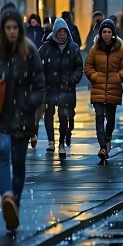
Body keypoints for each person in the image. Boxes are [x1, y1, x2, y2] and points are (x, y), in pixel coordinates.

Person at [0, 8, 45, 231]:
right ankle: (7, 196)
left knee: (18, 161)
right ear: (3, 29)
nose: (11, 31)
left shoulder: (29, 51)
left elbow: (40, 83)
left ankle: (14, 204)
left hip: (21, 115)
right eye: (7, 28)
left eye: (14, 28)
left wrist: (29, 103)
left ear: (19, 29)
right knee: (2, 151)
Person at [84, 19, 123, 160]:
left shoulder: (120, 49)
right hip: (98, 88)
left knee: (110, 120)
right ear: (100, 33)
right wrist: (95, 76)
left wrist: (118, 77)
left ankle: (108, 135)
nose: (106, 34)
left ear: (113, 34)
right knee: (99, 118)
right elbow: (88, 67)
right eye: (104, 32)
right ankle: (103, 148)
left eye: (109, 32)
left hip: (113, 89)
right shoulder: (94, 49)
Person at [39, 17, 84, 159]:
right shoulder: (46, 47)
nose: (62, 35)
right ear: (55, 33)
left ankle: (61, 142)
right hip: (50, 87)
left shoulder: (73, 48)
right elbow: (39, 66)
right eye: (60, 32)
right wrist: (43, 81)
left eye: (64, 32)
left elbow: (79, 67)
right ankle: (51, 140)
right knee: (49, 113)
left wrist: (73, 79)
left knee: (63, 116)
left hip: (66, 87)